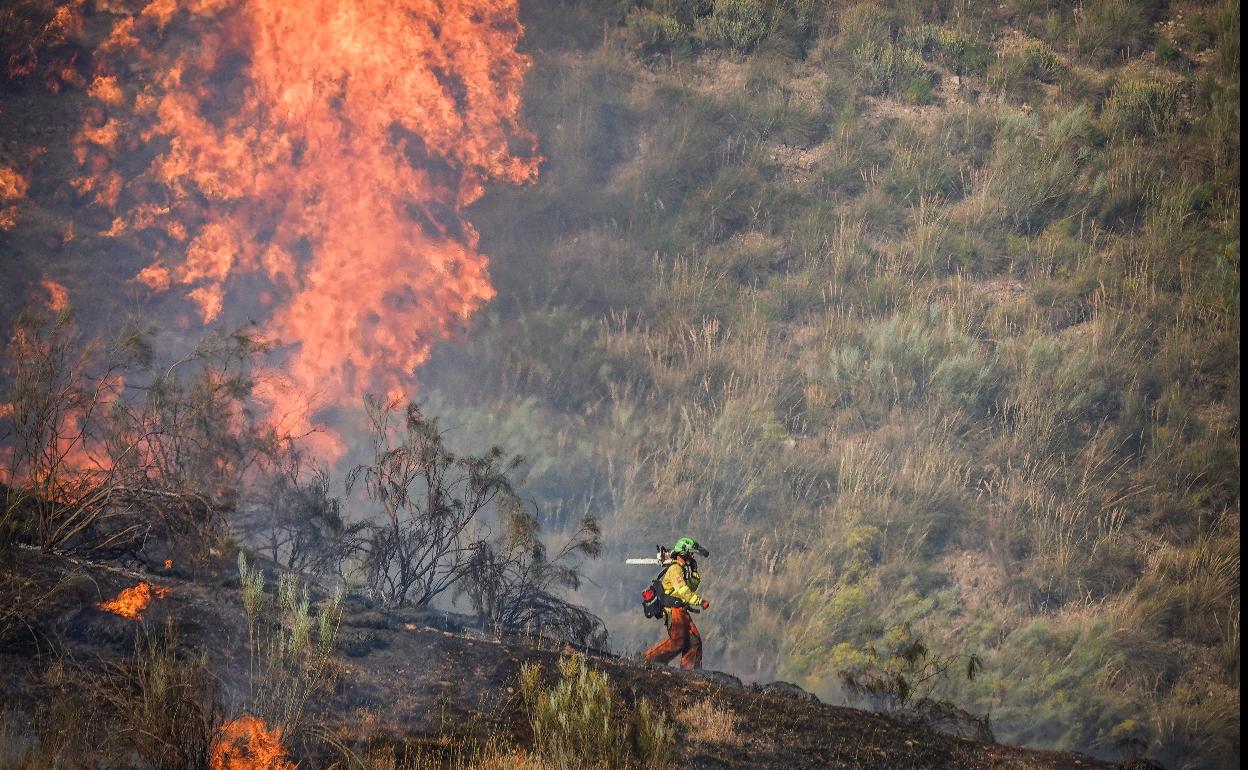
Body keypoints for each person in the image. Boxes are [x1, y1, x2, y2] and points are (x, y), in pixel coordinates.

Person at [643, 536, 709, 670]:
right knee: (678, 641)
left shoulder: (682, 570)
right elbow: (683, 590)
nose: (692, 556)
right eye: (690, 553)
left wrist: (694, 572)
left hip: (681, 611)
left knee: (694, 641)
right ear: (683, 553)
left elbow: (690, 588)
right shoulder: (675, 569)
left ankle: (690, 671)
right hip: (673, 611)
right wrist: (700, 601)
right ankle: (646, 660)